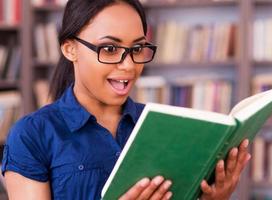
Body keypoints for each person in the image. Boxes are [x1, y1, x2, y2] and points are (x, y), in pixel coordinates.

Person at [2, 0, 251, 199]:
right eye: (110, 49)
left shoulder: (165, 126)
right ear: (70, 49)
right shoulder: (32, 135)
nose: (129, 65)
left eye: (136, 49)